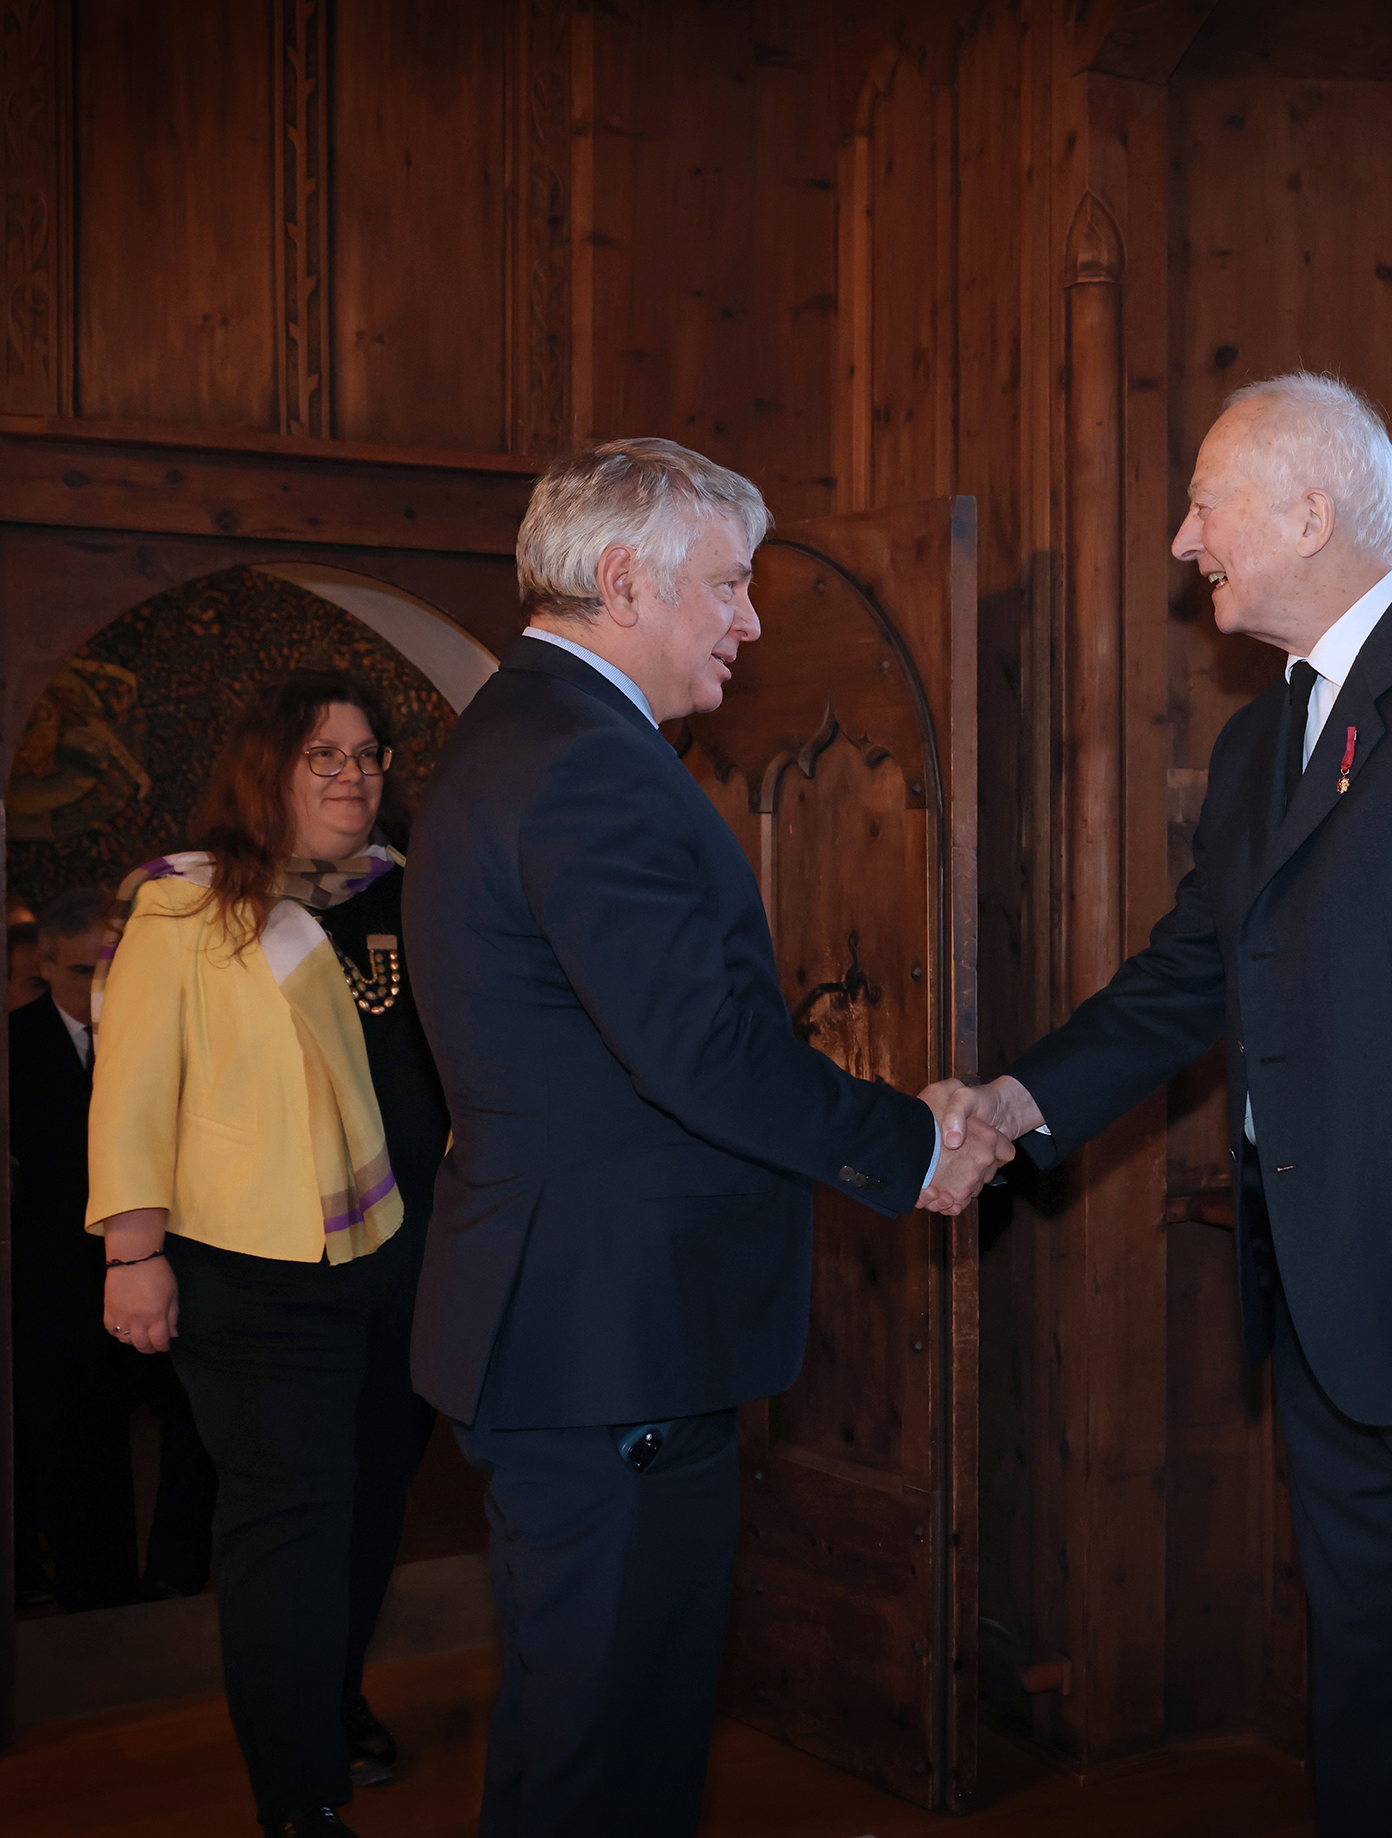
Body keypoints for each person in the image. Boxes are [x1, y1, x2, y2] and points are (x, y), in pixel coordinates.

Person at [935, 372, 1392, 1835]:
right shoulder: (1257, 741)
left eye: (1203, 504)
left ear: (1308, 510)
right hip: (1330, 1322)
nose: (1182, 540)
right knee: (1369, 1714)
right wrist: (1014, 1101)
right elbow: (1186, 977)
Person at [404, 436, 1011, 1838]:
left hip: (570, 1330)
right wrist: (913, 1145)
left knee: (579, 1735)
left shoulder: (521, 732)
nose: (748, 619)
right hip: (605, 1340)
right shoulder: (585, 764)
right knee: (610, 1757)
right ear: (624, 581)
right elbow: (702, 1054)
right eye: (728, 584)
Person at [92, 671, 450, 1838]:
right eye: (323, 753)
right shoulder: (185, 907)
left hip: (408, 1261)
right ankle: (299, 1794)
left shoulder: (414, 894)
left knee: (370, 1508)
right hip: (253, 1273)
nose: (355, 773)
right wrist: (132, 1252)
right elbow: (133, 1088)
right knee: (288, 1525)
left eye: (369, 752)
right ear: (267, 768)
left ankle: (329, 1698)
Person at [10, 885, 138, 1611]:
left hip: (145, 1261)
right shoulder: (9, 1046)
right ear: (46, 962)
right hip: (53, 1274)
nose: (96, 989)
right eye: (82, 971)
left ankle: (153, 1576)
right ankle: (82, 1585)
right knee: (64, 1430)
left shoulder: (144, 1032)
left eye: (108, 971)